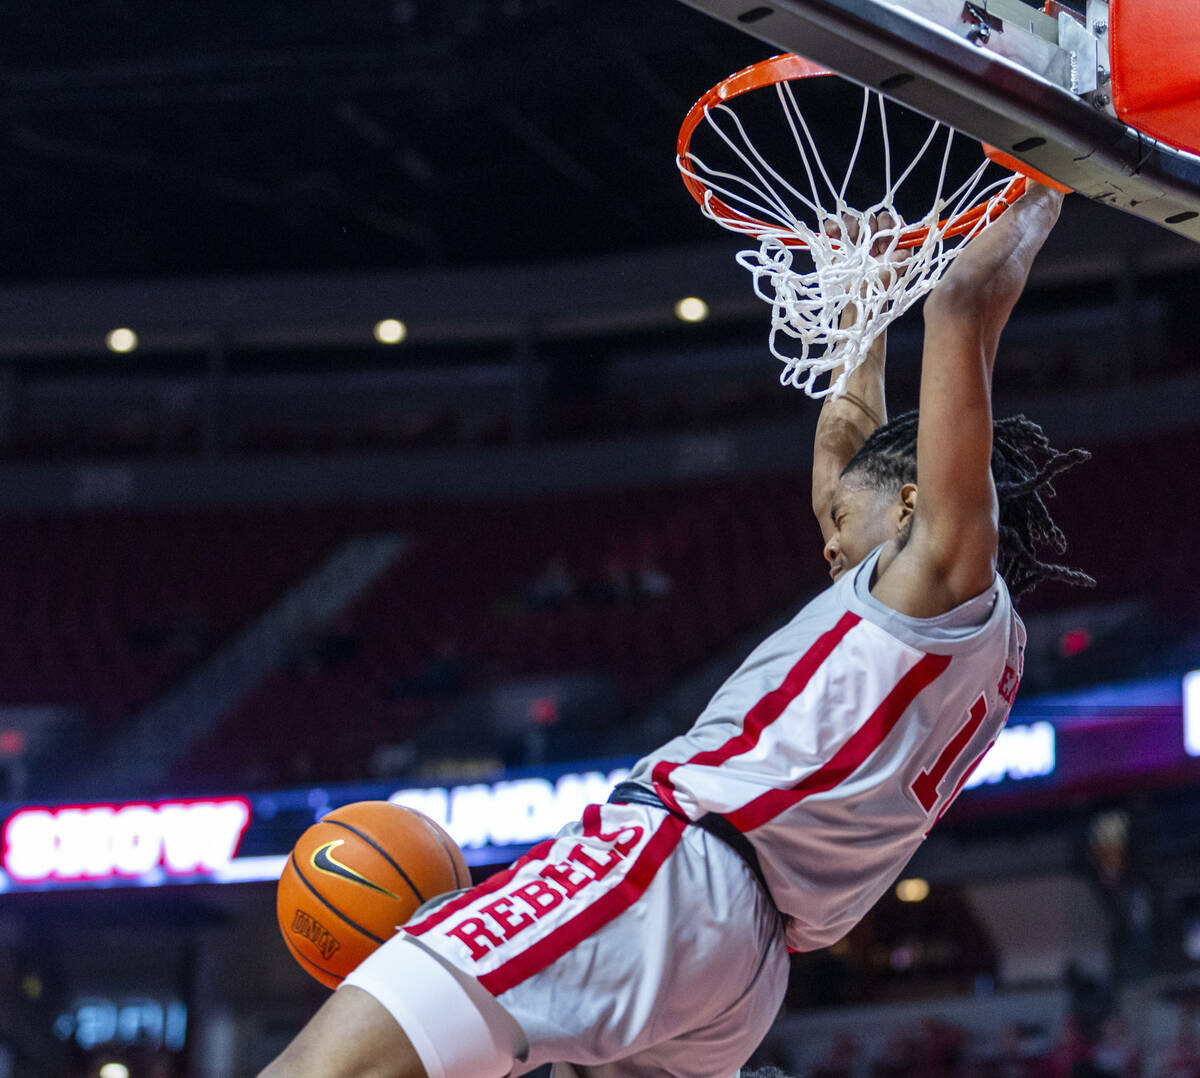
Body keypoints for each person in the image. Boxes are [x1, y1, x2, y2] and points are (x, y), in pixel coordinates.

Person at [260, 182, 1092, 1078]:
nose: (825, 543)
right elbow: (837, 471)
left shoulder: (945, 568)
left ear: (914, 505)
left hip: (674, 876)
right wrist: (861, 315)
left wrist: (1040, 175)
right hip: (743, 974)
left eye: (840, 531)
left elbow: (966, 305)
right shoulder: (961, 642)